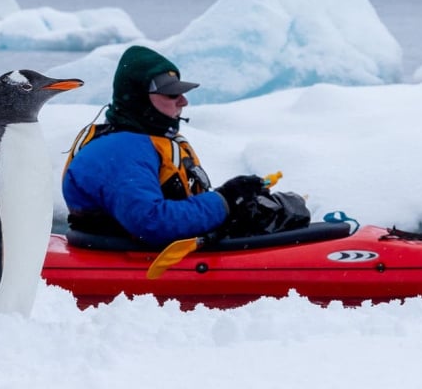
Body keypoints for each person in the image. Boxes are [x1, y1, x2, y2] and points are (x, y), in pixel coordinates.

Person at [62, 45, 306, 247]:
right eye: (171, 94)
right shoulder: (119, 152)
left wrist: (235, 196)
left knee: (287, 209)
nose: (183, 101)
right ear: (139, 98)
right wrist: (224, 201)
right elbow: (152, 223)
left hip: (166, 248)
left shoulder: (143, 141)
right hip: (136, 257)